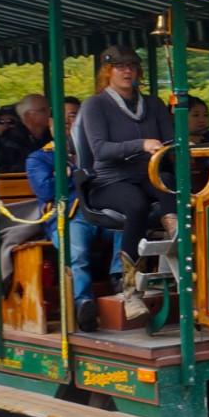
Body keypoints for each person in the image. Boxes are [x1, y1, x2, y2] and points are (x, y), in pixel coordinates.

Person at [74, 45, 174, 322]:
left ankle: (179, 241)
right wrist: (140, 144)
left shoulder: (152, 103)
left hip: (149, 174)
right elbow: (100, 150)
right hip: (109, 181)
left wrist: (182, 143)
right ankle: (130, 289)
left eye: (131, 65)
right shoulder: (95, 105)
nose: (127, 71)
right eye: (119, 66)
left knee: (170, 182)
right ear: (108, 73)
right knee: (136, 203)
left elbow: (169, 141)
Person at [26, 100, 120, 331]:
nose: (69, 121)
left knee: (128, 224)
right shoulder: (39, 158)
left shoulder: (96, 150)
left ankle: (120, 279)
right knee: (76, 251)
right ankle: (83, 304)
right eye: (63, 117)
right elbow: (46, 189)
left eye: (75, 116)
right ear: (50, 124)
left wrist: (68, 174)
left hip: (102, 209)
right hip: (69, 215)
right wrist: (76, 174)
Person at [1, 93, 53, 168]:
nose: (49, 113)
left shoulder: (51, 135)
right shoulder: (11, 140)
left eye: (49, 109)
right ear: (27, 115)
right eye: (43, 110)